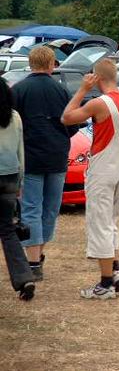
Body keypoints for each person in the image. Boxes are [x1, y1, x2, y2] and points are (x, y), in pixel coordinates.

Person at [62, 59, 119, 299]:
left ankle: (105, 284)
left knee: (99, 223)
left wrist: (83, 90)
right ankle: (115, 271)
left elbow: (66, 117)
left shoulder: (99, 103)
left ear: (96, 77)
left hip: (103, 168)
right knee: (110, 222)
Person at [12, 46, 77, 281]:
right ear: (52, 64)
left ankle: (33, 260)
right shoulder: (61, 91)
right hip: (57, 157)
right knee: (50, 208)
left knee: (30, 207)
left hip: (30, 158)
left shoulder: (18, 90)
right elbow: (73, 124)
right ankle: (39, 255)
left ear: (31, 64)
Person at [0, 78, 35, 301]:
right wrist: (20, 182)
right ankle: (24, 278)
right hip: (10, 176)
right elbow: (20, 151)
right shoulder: (14, 117)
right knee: (7, 230)